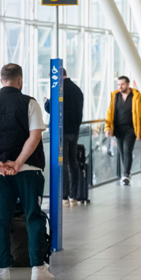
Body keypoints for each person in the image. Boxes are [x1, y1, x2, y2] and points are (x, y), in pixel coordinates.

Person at [0, 63, 54, 280]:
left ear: (1, 80)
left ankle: (3, 271)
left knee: (2, 219)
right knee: (33, 215)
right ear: (20, 80)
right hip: (29, 170)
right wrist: (18, 163)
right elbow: (35, 136)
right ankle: (38, 269)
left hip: (0, 174)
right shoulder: (30, 103)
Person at [44, 69, 85, 206]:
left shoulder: (58, 90)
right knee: (73, 161)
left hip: (60, 131)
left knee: (63, 163)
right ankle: (74, 195)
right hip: (74, 131)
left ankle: (64, 196)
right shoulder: (77, 90)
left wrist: (47, 102)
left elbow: (52, 108)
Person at [104, 76, 141, 185]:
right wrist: (108, 128)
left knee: (127, 149)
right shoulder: (115, 96)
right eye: (118, 84)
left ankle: (126, 174)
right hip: (118, 129)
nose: (120, 87)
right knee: (121, 151)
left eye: (122, 84)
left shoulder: (136, 96)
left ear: (128, 84)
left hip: (131, 128)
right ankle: (126, 172)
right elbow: (109, 113)